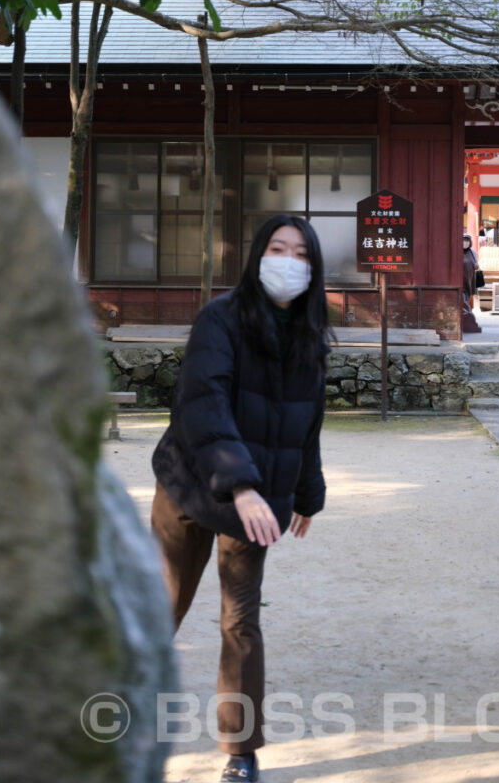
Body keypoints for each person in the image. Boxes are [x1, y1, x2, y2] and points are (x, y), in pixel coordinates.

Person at [150, 214, 330, 782]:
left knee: (240, 623)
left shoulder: (309, 334)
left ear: (313, 268)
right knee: (161, 607)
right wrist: (244, 483)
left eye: (301, 253)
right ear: (256, 255)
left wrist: (306, 492)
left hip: (256, 505)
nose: (288, 261)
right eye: (277, 248)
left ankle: (239, 751)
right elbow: (204, 403)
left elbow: (307, 422)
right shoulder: (220, 319)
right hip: (190, 485)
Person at [462, 233, 481, 333]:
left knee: (467, 297)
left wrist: (476, 265)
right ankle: (465, 315)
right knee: (462, 298)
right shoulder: (458, 251)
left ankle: (468, 314)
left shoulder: (472, 252)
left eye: (467, 240)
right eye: (463, 240)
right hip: (460, 279)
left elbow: (477, 264)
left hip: (470, 278)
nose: (465, 242)